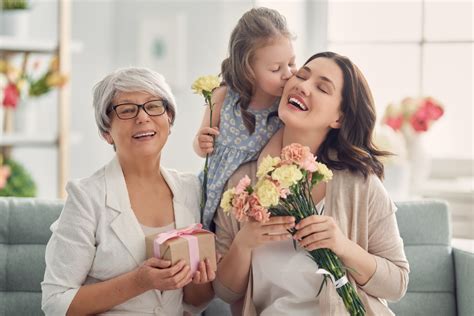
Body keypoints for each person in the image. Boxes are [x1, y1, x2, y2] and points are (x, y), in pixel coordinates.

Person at [212, 52, 410, 315]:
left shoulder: (362, 185)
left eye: (322, 87)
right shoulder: (242, 184)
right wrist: (244, 243)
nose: (303, 86)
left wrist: (342, 246)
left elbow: (397, 284)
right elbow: (225, 292)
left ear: (338, 118)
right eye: (302, 75)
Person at [41, 67, 215, 315]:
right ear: (106, 132)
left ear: (169, 120)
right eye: (126, 110)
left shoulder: (192, 189)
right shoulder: (86, 198)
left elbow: (194, 301)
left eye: (154, 106)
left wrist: (202, 281)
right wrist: (139, 282)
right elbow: (56, 303)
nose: (143, 117)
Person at [193, 7, 297, 230]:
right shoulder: (223, 97)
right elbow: (201, 148)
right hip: (213, 189)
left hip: (249, 197)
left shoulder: (284, 109)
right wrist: (202, 142)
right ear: (248, 69)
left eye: (291, 63)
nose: (288, 73)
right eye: (276, 68)